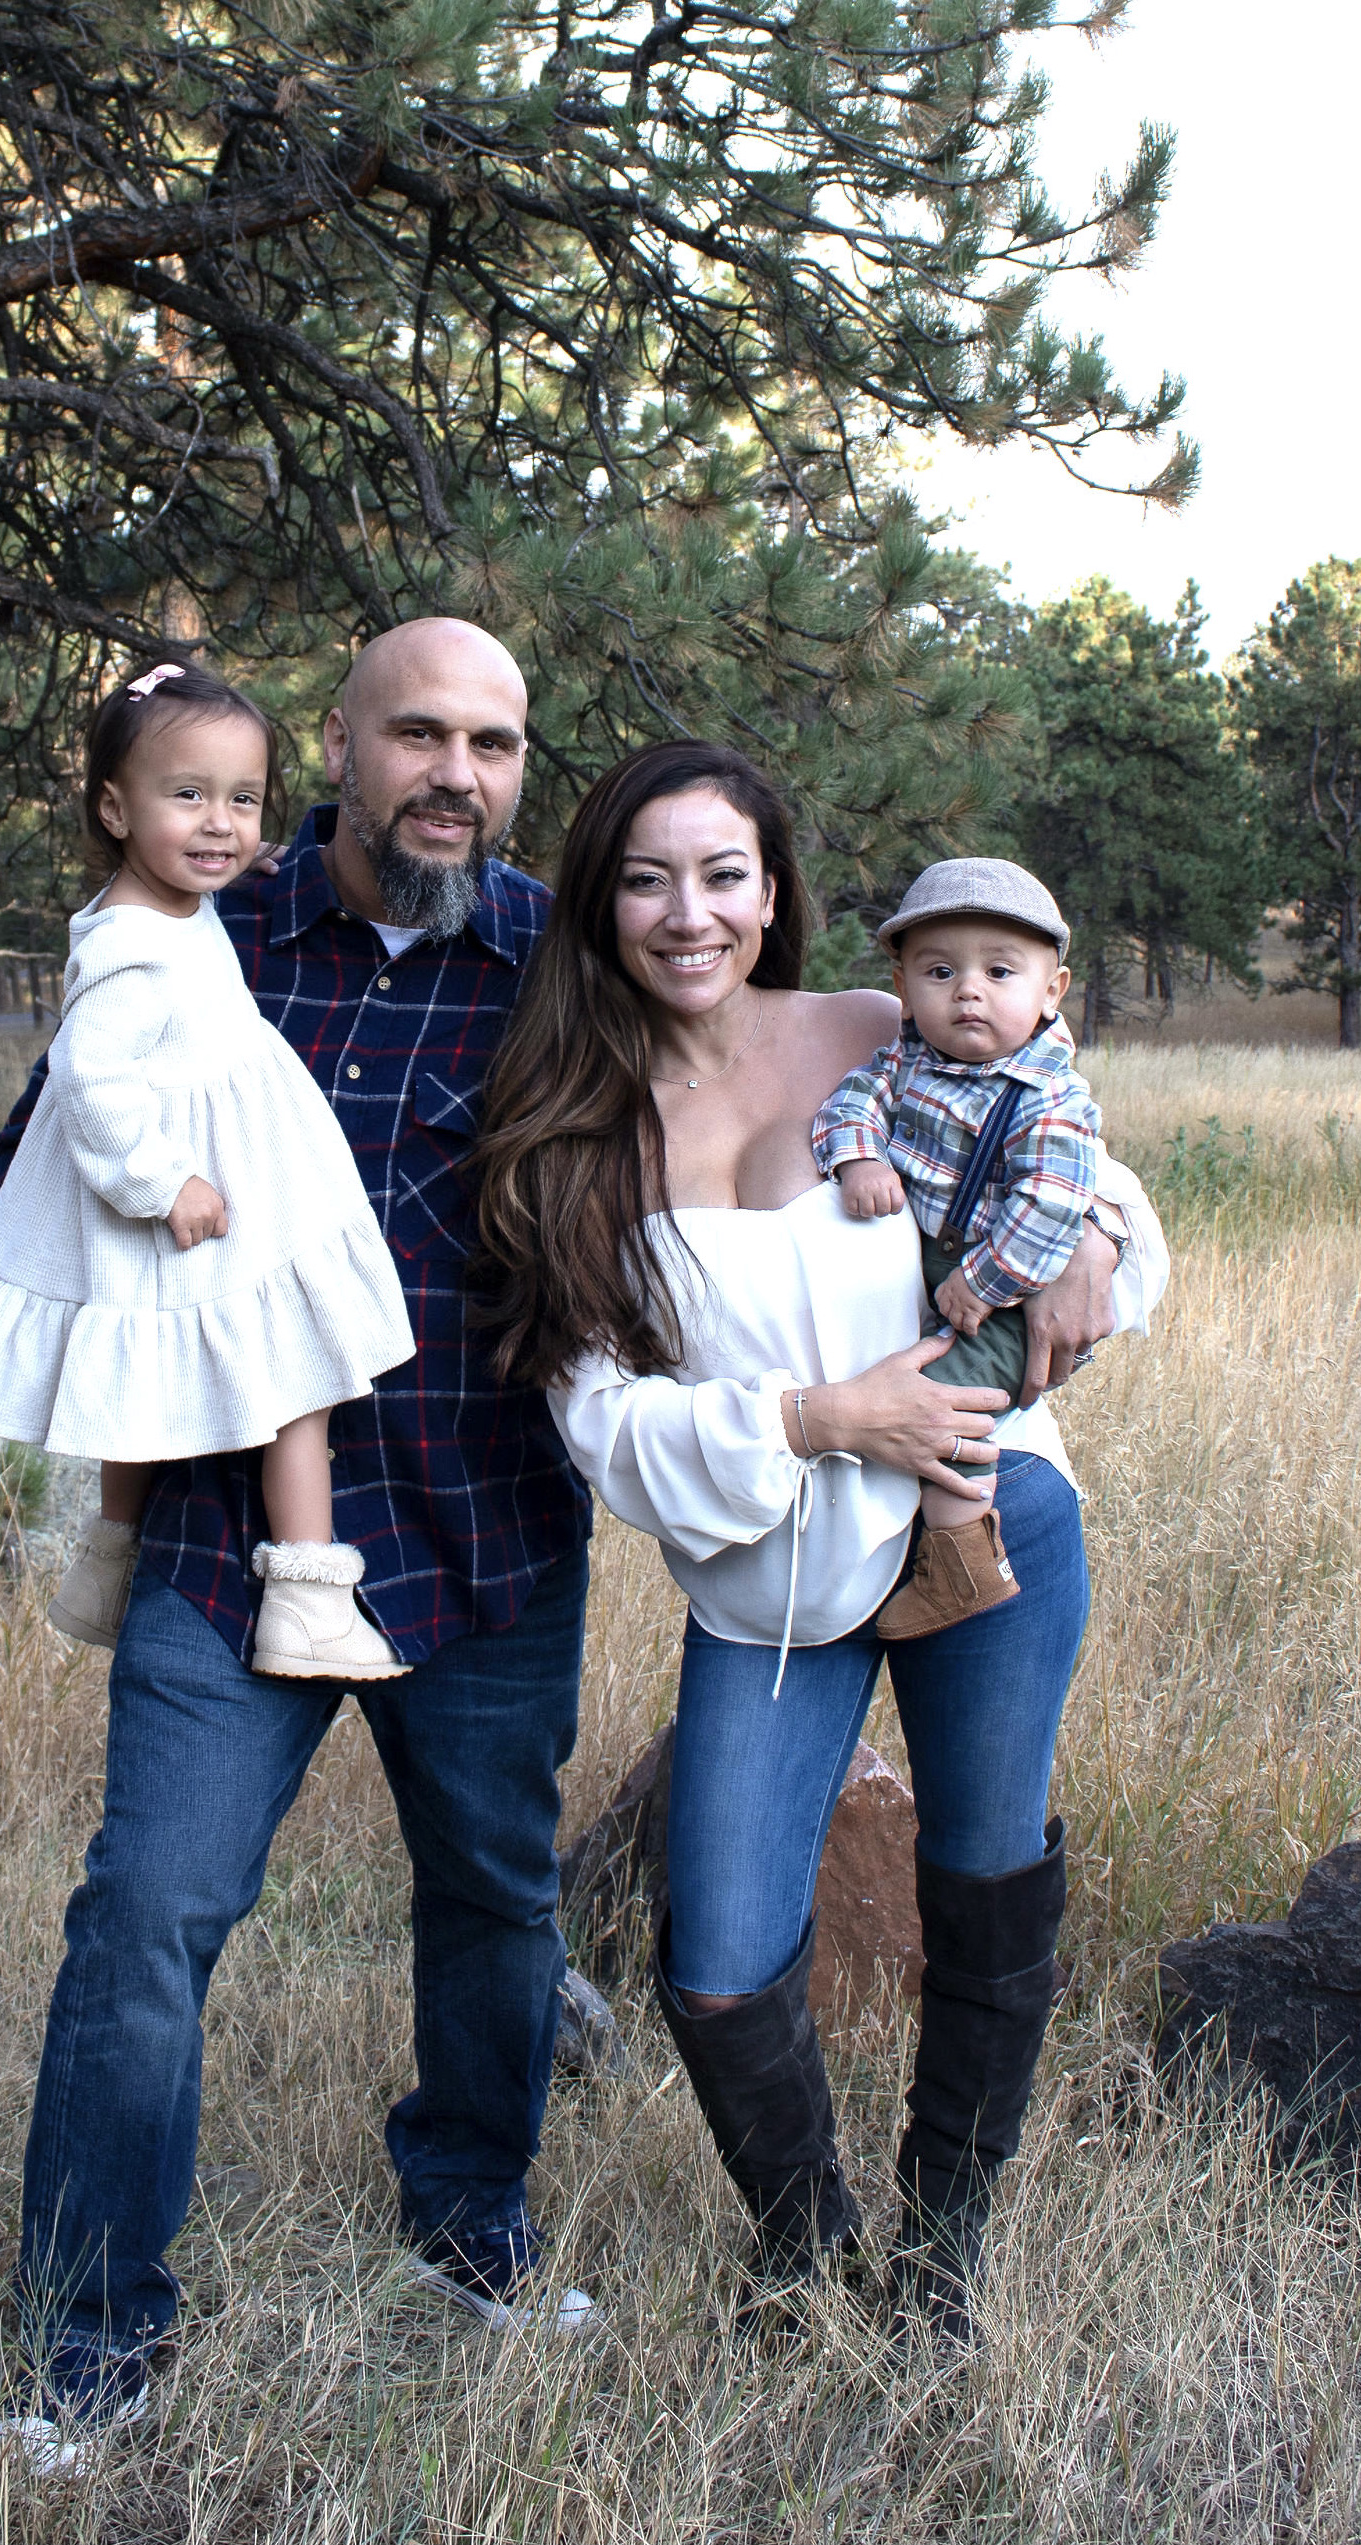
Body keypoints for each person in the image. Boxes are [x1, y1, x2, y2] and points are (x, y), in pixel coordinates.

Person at [0, 621, 594, 2477]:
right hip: (231, 1531)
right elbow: (42, 1153)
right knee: (147, 1917)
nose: (455, 773)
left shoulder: (566, 954)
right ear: (340, 741)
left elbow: (775, 1069)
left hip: (487, 1524)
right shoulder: (202, 925)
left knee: (495, 1902)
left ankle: (469, 2230)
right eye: (419, 731)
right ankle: (91, 2347)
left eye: (492, 741)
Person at [474, 740, 1167, 2344]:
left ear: (772, 890)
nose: (687, 910)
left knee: (984, 1874)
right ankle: (808, 2246)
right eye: (646, 877)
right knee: (715, 1962)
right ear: (600, 904)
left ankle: (944, 2255)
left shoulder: (881, 1026)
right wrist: (819, 1420)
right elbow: (603, 1426)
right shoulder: (572, 1123)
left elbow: (1083, 1164)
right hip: (769, 1584)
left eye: (722, 873)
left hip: (988, 1518)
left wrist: (1107, 1242)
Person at [0, 661, 414, 1679]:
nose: (219, 824)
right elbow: (91, 1082)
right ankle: (306, 1594)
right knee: (295, 1378)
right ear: (113, 805)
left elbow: (199, 877)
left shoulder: (167, 908)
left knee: (139, 1379)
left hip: (206, 1181)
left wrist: (229, 852)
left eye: (240, 800)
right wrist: (159, 1182)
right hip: (198, 1199)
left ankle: (110, 1561)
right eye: (186, 796)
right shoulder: (133, 951)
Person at [810, 859, 1101, 1641]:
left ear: (1052, 991)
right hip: (940, 1277)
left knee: (941, 1407)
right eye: (941, 971)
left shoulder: (1050, 1097)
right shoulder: (908, 1060)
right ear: (902, 984)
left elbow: (1051, 1205)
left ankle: (962, 1556)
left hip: (1002, 1294)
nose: (968, 989)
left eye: (999, 971)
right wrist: (859, 1156)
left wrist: (982, 1281)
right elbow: (852, 1100)